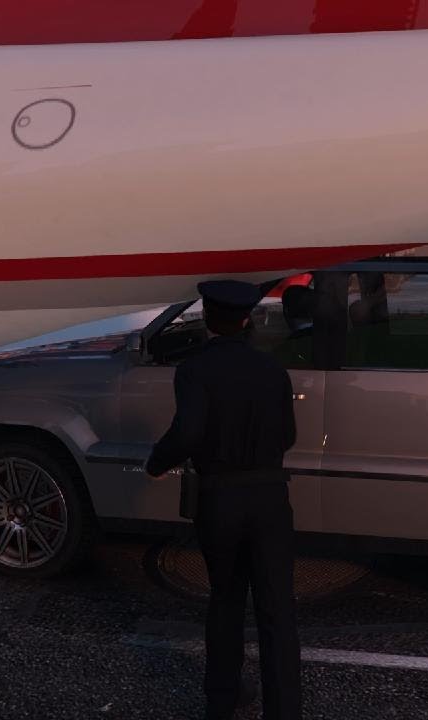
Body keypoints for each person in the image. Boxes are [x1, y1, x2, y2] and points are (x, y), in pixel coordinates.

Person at [146, 279, 302, 720]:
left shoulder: (194, 370)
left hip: (220, 499)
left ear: (208, 320)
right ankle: (284, 710)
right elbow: (289, 435)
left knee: (226, 600)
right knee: (277, 609)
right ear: (247, 319)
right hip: (271, 497)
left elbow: (187, 433)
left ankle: (222, 698)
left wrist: (156, 463)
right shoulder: (273, 370)